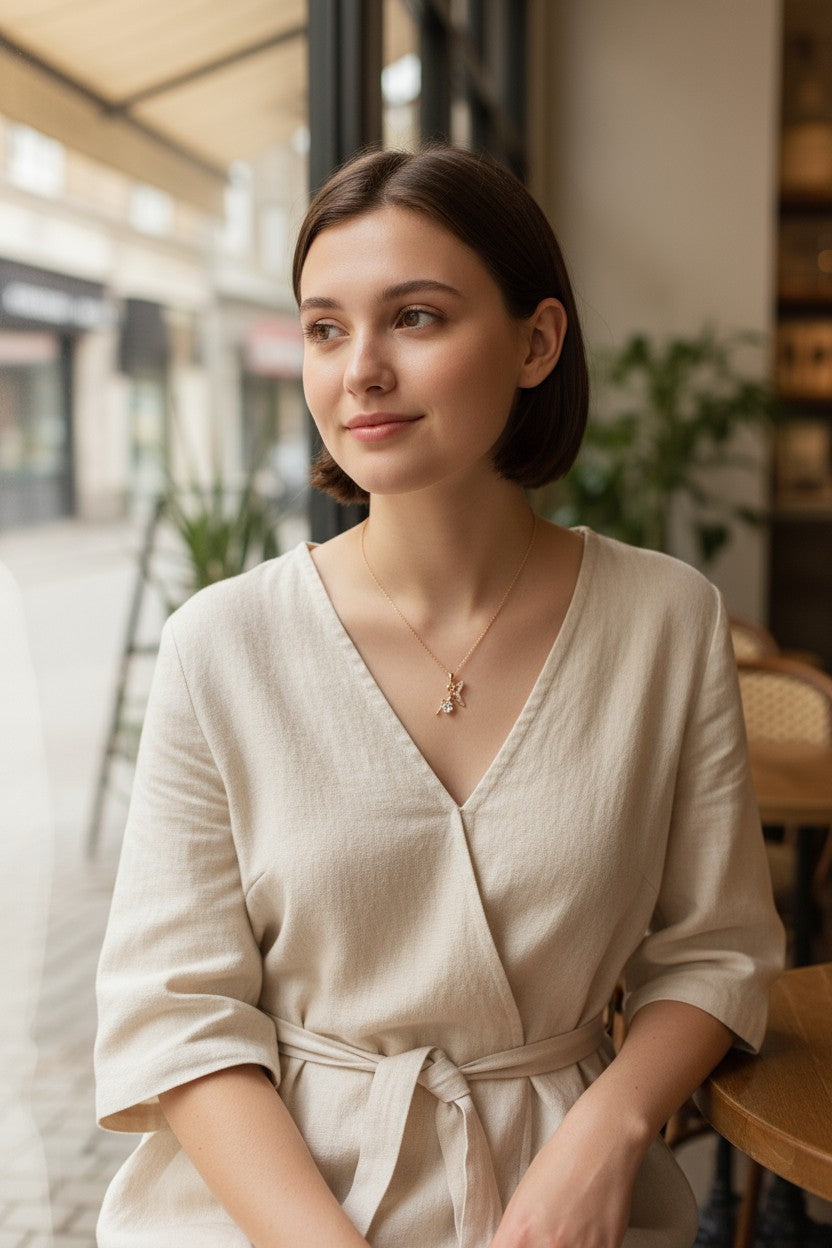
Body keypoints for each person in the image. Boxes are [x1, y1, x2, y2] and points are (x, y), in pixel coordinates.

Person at [94, 146, 784, 1248]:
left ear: (535, 342)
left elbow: (716, 951)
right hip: (268, 1209)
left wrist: (611, 1128)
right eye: (325, 327)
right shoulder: (220, 645)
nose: (358, 369)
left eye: (414, 318)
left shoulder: (665, 619)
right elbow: (179, 1017)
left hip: (564, 1200)